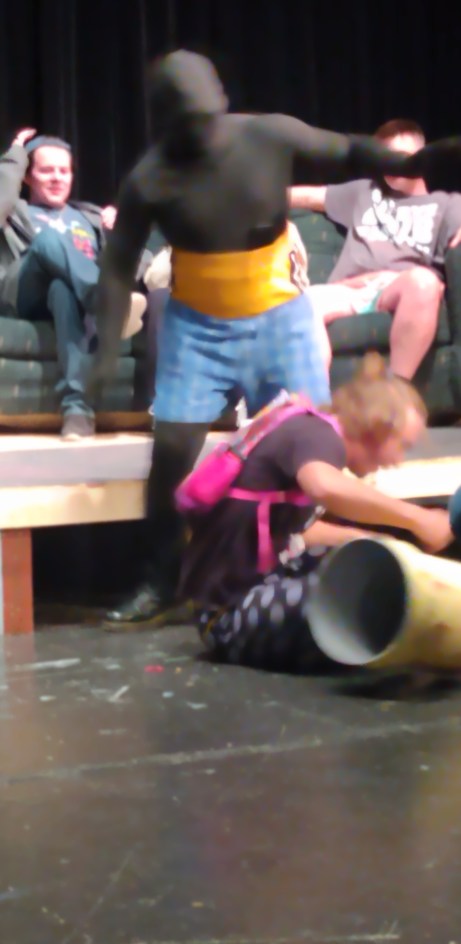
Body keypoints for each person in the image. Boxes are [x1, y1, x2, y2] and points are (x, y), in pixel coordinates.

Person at [94, 51, 461, 628]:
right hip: (198, 327)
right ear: (163, 119)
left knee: (311, 446)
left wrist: (412, 161)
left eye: (206, 115)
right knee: (170, 456)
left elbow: (348, 149)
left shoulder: (267, 135)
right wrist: (106, 347)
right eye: (186, 120)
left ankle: (314, 561)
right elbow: (118, 264)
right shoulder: (150, 177)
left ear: (221, 102)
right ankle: (162, 579)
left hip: (280, 319)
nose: (200, 129)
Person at [178, 352, 453, 671]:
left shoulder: (309, 431)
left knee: (365, 561)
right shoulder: (318, 436)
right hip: (228, 616)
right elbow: (324, 486)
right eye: (402, 446)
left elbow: (298, 532)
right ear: (376, 429)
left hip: (238, 600)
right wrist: (419, 520)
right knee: (367, 596)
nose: (398, 460)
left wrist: (377, 542)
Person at [0, 129, 147, 439]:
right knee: (49, 241)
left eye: (64, 171)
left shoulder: (90, 217)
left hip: (70, 296)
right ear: (27, 177)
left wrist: (118, 234)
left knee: (63, 290)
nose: (57, 178)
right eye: (46, 170)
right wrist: (15, 155)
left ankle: (77, 411)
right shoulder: (15, 212)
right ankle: (106, 302)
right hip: (24, 293)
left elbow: (142, 263)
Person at [289, 119, 461, 379]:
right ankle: (314, 398)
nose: (391, 166)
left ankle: (395, 389)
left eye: (400, 158)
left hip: (401, 288)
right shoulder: (363, 192)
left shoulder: (447, 204)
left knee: (424, 283)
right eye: (384, 159)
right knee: (303, 302)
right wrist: (253, 196)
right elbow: (306, 196)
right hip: (348, 290)